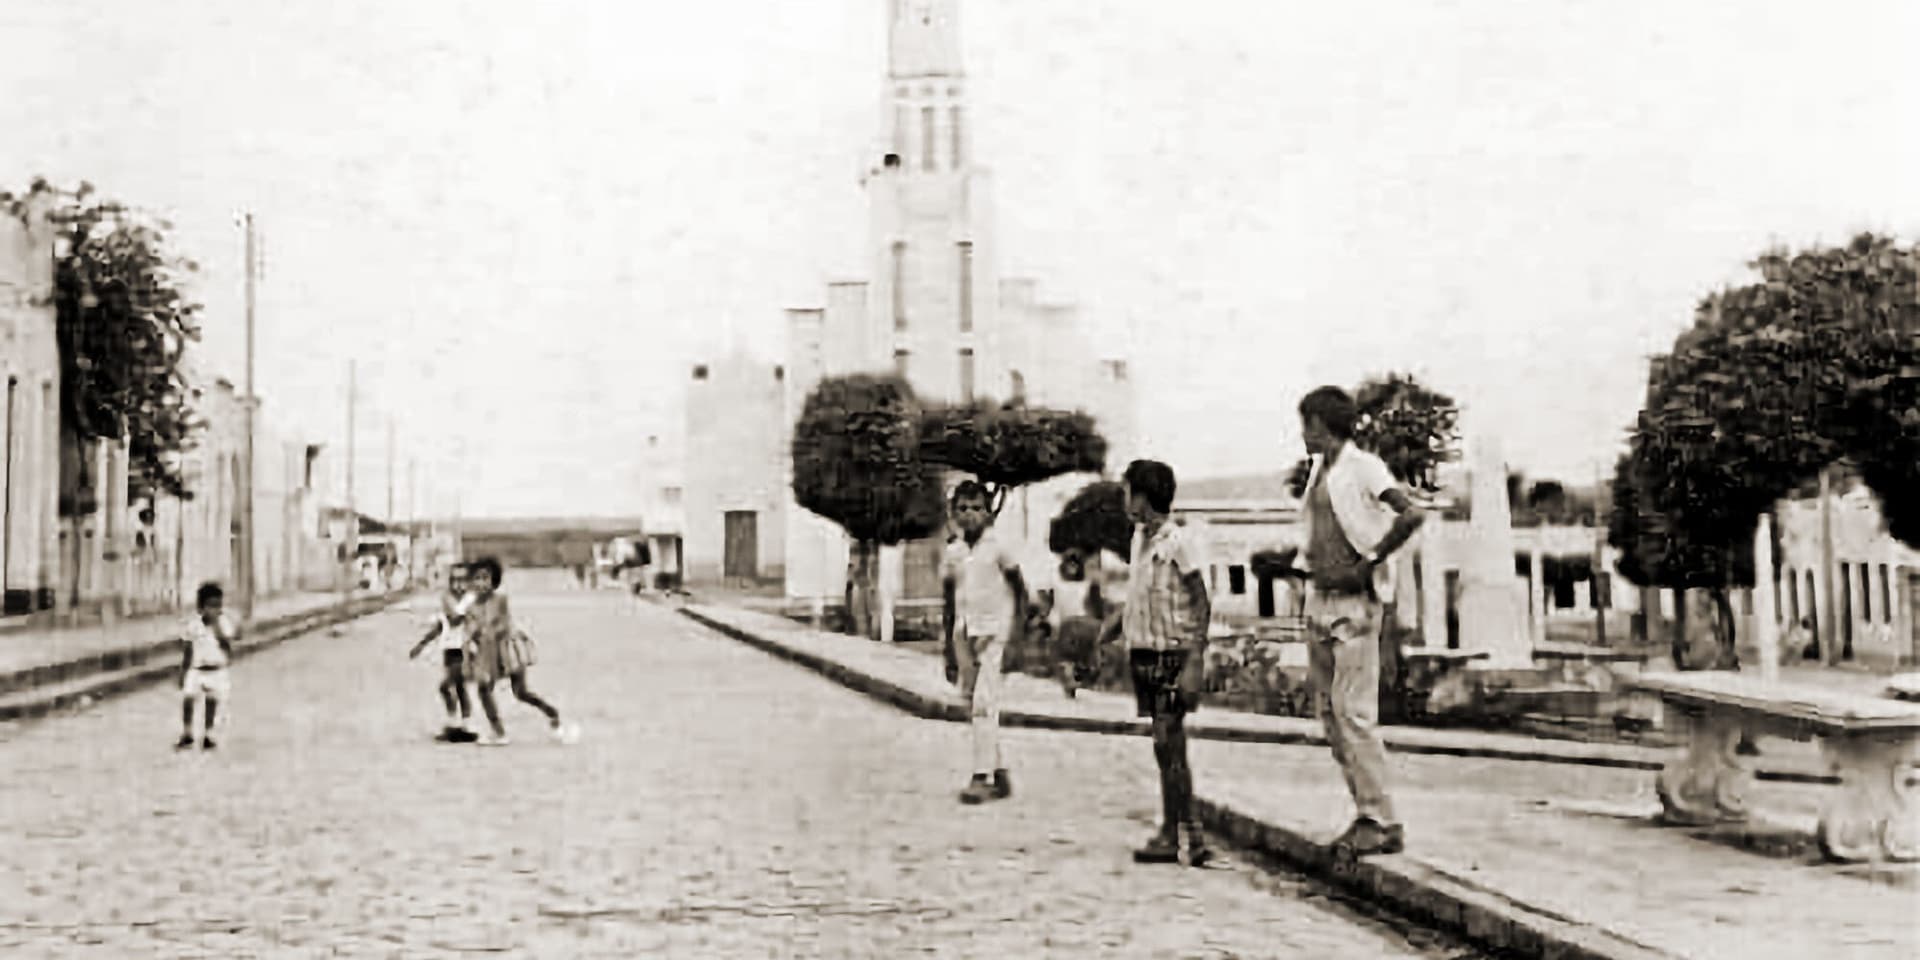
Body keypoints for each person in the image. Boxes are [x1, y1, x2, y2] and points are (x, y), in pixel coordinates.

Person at [1258, 386, 1426, 858]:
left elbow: (1411, 514)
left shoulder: (1364, 466)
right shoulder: (1320, 473)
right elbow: (1316, 536)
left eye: (1306, 423)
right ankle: (1366, 811)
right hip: (1321, 601)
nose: (1302, 433)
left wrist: (1370, 560)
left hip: (1355, 603)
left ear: (1321, 423)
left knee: (1353, 711)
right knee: (1331, 716)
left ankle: (1383, 819)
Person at [1099, 460, 1214, 866]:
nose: (1124, 500)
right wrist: (1113, 625)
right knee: (1167, 748)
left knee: (1167, 739)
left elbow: (1202, 600)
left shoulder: (1179, 542)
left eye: (1128, 492)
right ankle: (1187, 832)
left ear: (1144, 497)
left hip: (1173, 654)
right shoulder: (1138, 540)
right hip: (1144, 653)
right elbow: (1138, 592)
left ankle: (1179, 832)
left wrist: (1196, 659)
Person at [941, 481, 1026, 805]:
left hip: (996, 634)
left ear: (988, 512)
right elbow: (948, 601)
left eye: (977, 508)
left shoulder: (999, 548)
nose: (970, 515)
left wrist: (1017, 641)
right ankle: (999, 770)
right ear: (953, 513)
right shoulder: (953, 553)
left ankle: (981, 777)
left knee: (984, 704)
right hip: (965, 633)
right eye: (963, 508)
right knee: (972, 703)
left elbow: (1021, 594)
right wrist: (948, 649)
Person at [463, 556, 580, 746]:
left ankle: (552, 713)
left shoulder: (500, 600)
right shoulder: (471, 607)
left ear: (494, 581)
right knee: (484, 689)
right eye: (476, 578)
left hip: (507, 650)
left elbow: (502, 624)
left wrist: (487, 631)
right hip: (486, 651)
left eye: (486, 578)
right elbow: (470, 631)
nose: (481, 583)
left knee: (521, 692)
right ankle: (498, 731)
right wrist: (470, 650)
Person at [409, 563, 479, 743]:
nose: (458, 585)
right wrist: (421, 645)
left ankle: (458, 722)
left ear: (469, 582)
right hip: (449, 649)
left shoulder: (470, 601)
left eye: (462, 580)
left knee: (448, 686)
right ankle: (461, 723)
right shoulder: (451, 601)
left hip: (463, 649)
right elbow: (441, 626)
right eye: (454, 580)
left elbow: (456, 620)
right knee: (458, 688)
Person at [177, 582, 238, 751]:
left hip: (216, 670)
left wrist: (218, 630)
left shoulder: (223, 624)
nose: (215, 610)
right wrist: (183, 672)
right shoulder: (193, 625)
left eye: (218, 606)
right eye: (210, 606)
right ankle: (187, 732)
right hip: (197, 669)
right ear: (200, 608)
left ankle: (208, 734)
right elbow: (188, 650)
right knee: (188, 699)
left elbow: (227, 646)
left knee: (211, 702)